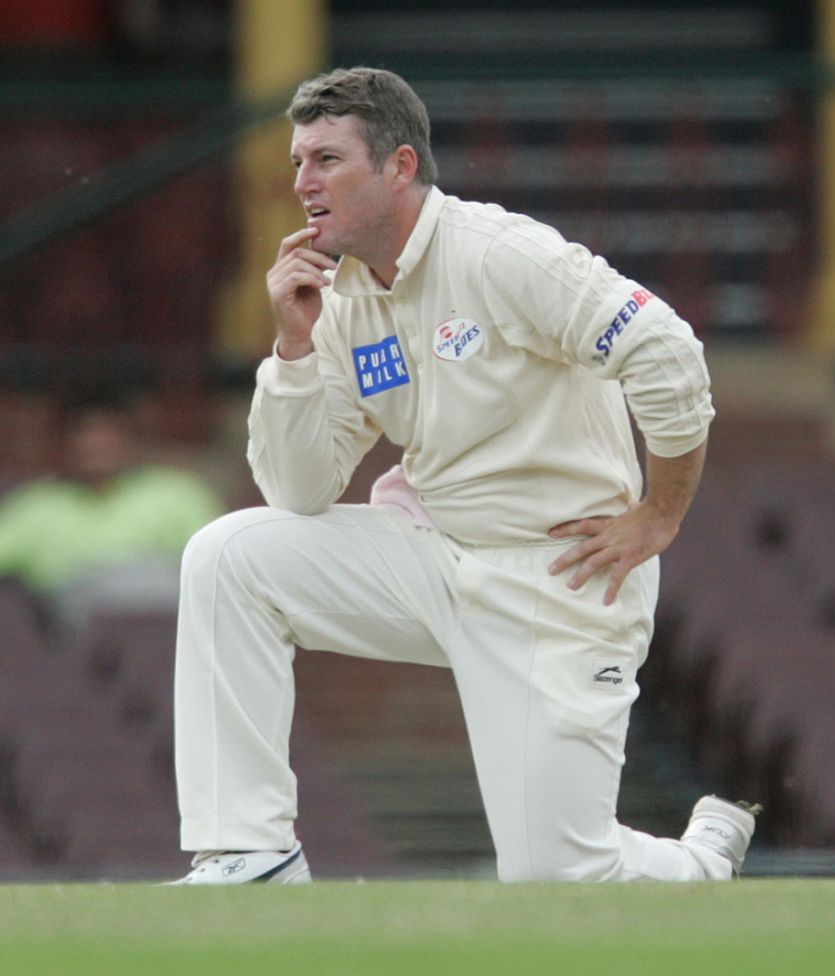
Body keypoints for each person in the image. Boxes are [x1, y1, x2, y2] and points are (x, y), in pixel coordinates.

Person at [168, 66, 759, 885]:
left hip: (561, 576)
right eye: (299, 161)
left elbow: (664, 350)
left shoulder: (499, 252)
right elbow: (299, 492)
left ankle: (701, 864)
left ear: (400, 166)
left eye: (327, 159)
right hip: (435, 557)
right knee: (229, 558)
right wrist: (295, 350)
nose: (302, 182)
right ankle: (250, 852)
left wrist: (659, 515)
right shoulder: (336, 301)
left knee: (558, 879)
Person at [0, 390, 223, 632]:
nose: (97, 443)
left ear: (132, 438)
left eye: (109, 432)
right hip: (75, 644)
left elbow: (221, 566)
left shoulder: (178, 494)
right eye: (85, 433)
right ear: (63, 444)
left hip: (168, 636)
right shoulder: (34, 506)